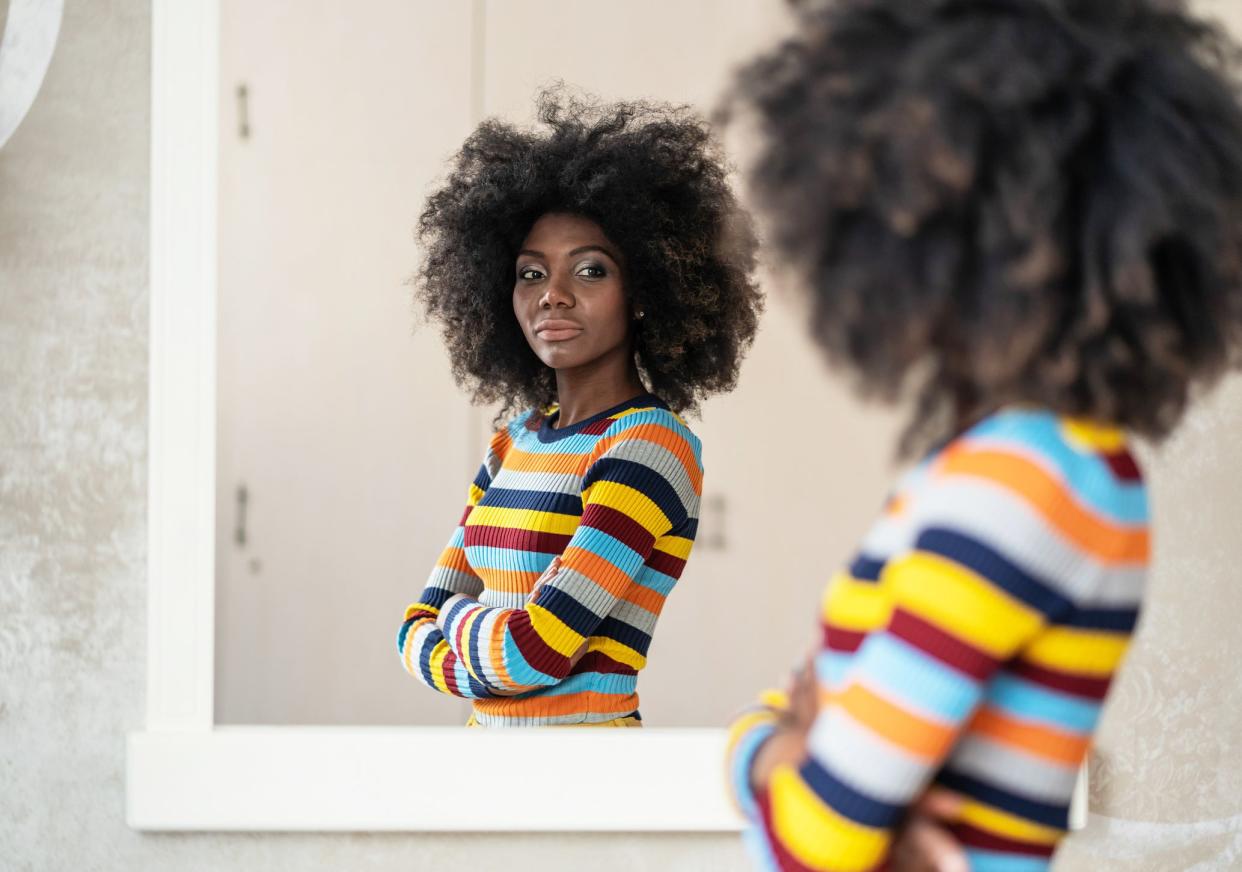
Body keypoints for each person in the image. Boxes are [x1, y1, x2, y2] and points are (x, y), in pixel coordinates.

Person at [722, 0, 1242, 869]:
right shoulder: (1028, 468)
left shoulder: (1029, 479)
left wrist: (771, 749)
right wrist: (784, 750)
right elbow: (809, 775)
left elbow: (818, 839)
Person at [396, 90, 763, 726]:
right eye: (531, 274)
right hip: (480, 772)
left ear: (645, 290)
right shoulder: (512, 444)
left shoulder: (649, 448)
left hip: (588, 780)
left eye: (590, 271)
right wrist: (470, 634)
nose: (553, 296)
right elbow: (408, 632)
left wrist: (453, 620)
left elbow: (530, 653)